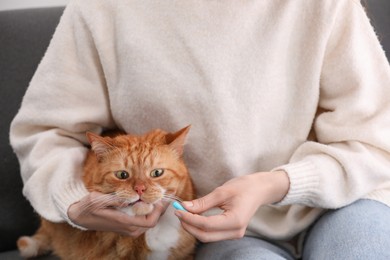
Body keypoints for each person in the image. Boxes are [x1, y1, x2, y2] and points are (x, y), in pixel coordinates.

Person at [10, 0, 390, 259]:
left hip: (348, 199)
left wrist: (274, 185)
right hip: (207, 227)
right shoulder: (103, 10)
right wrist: (76, 202)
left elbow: (375, 135)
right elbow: (45, 132)